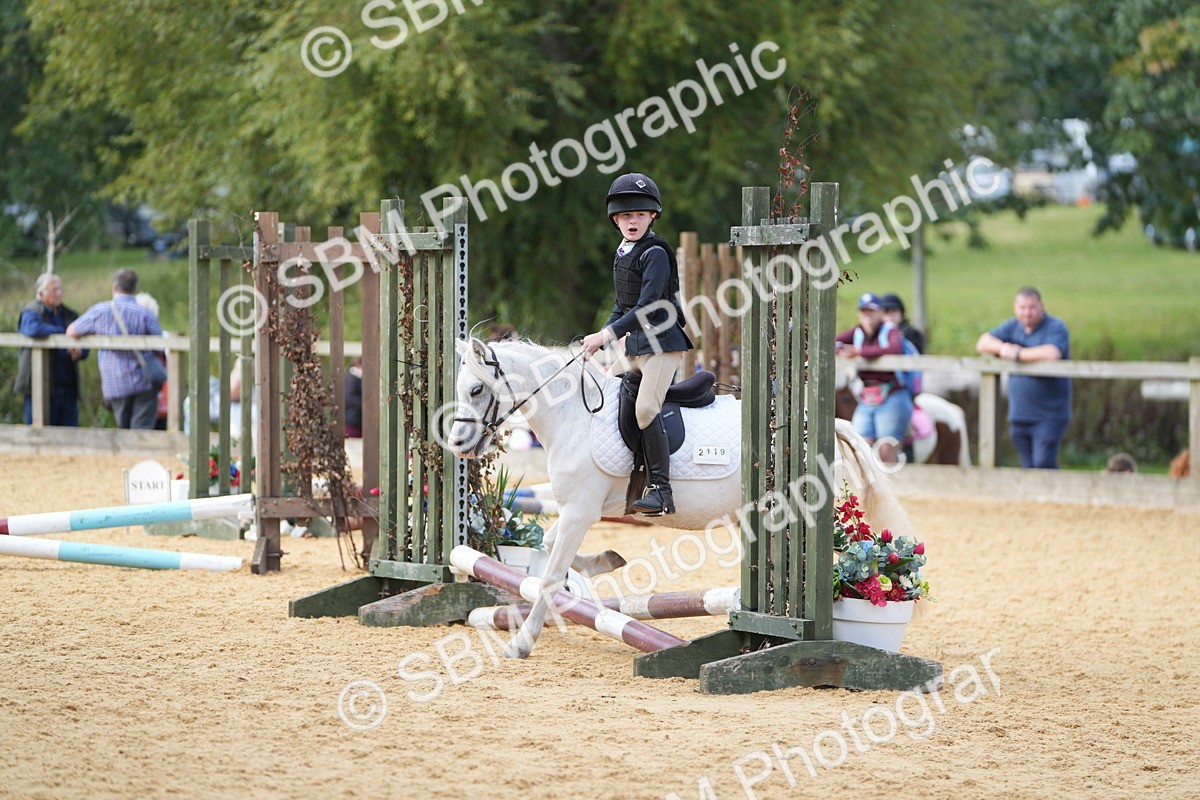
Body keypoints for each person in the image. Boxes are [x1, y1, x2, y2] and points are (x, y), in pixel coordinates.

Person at [582, 172, 692, 516]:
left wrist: (608, 335)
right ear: (616, 220)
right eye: (626, 216)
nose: (633, 221)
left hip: (662, 343)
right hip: (638, 344)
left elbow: (646, 306)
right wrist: (602, 336)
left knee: (646, 409)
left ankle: (662, 490)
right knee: (604, 389)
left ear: (652, 217)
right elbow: (622, 306)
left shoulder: (655, 252)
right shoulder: (624, 252)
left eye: (640, 215)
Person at [975, 286, 1071, 469]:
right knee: (1027, 467)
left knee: (1043, 463)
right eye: (1022, 307)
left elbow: (1052, 352)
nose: (1027, 312)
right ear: (1015, 307)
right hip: (1019, 413)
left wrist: (1018, 355)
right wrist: (1003, 349)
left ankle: (1050, 496)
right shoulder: (1012, 326)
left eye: (1032, 307)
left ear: (1042, 306)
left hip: (1049, 414)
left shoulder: (1055, 326)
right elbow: (983, 342)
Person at [67, 268, 164, 430]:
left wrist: (75, 346)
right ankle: (139, 454)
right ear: (135, 289)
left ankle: (127, 453)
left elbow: (72, 330)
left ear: (114, 287)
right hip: (144, 379)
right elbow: (159, 343)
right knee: (142, 429)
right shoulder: (144, 313)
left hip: (115, 382)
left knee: (123, 428)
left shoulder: (100, 311)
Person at [835, 291, 913, 464]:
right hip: (867, 396)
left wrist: (859, 352)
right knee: (857, 446)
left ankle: (891, 488)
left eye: (871, 310)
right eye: (864, 311)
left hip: (892, 393)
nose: (867, 315)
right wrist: (840, 348)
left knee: (886, 448)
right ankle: (866, 490)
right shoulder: (858, 331)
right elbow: (833, 340)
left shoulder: (890, 330)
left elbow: (893, 349)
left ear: (880, 312)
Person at [15, 273, 86, 426]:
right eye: (53, 290)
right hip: (39, 388)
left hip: (67, 388)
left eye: (59, 289)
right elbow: (32, 329)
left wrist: (80, 350)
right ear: (40, 293)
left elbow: (85, 341)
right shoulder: (31, 312)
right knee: (37, 437)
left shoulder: (69, 314)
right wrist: (63, 333)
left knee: (68, 438)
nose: (58, 293)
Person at [344, 358, 363, 438]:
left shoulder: (353, 379)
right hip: (353, 421)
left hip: (354, 420)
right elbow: (349, 399)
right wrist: (365, 404)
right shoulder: (352, 379)